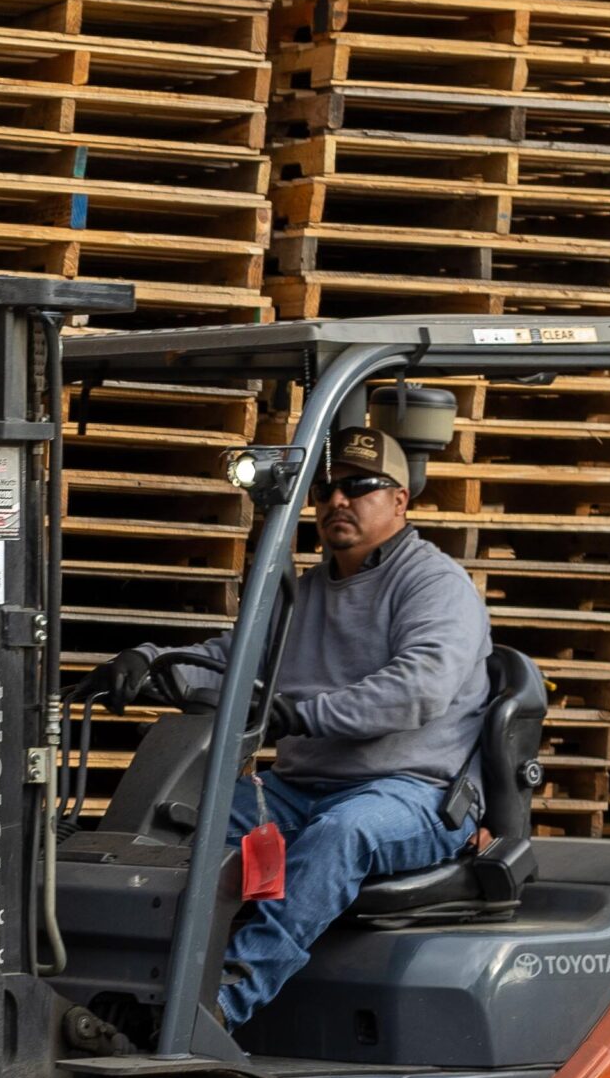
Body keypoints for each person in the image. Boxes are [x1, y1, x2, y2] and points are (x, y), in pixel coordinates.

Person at [90, 422, 493, 1031]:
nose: (338, 501)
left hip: (413, 792)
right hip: (300, 789)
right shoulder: (302, 592)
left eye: (359, 487)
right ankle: (134, 989)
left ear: (400, 500)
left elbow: (418, 690)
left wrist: (303, 714)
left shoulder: (434, 585)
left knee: (343, 833)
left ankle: (219, 1006)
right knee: (186, 816)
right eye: (327, 489)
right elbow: (231, 661)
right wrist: (150, 665)